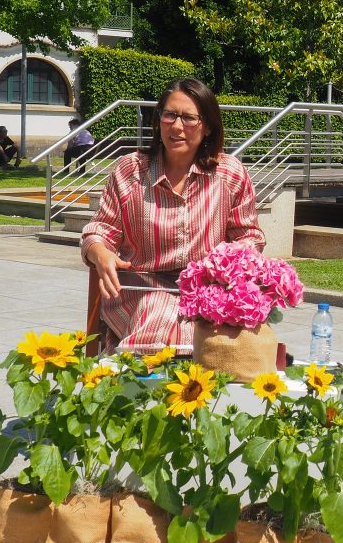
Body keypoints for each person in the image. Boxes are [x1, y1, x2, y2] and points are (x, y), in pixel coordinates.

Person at [81, 78, 265, 352]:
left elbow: (249, 236)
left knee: (221, 332)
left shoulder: (229, 174)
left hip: (207, 290)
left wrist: (223, 266)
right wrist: (99, 252)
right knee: (160, 315)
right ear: (158, 120)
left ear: (208, 127)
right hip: (141, 289)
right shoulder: (130, 171)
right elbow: (100, 229)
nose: (177, 127)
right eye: (170, 115)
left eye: (189, 118)